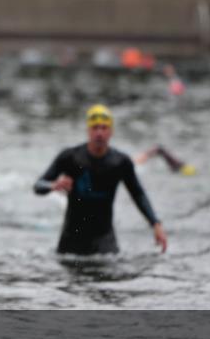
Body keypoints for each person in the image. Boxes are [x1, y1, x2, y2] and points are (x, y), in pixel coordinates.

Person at [34, 104, 167, 255]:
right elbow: (38, 186)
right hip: (71, 242)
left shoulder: (120, 162)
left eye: (104, 128)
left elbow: (138, 194)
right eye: (95, 127)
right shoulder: (70, 157)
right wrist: (53, 185)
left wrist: (155, 223)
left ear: (111, 131)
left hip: (105, 242)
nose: (99, 133)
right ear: (88, 130)